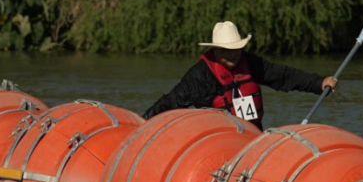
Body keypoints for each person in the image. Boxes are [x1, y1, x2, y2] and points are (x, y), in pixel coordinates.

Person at [142, 21, 338, 130]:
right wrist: (142, 124)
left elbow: (284, 76)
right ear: (215, 50)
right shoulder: (201, 74)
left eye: (236, 49)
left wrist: (318, 82)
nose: (233, 54)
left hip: (252, 137)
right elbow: (172, 102)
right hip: (219, 142)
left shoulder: (250, 63)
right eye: (227, 50)